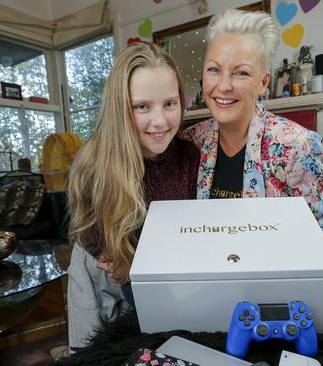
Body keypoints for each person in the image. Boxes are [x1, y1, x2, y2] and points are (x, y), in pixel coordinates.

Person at [66, 42, 199, 349]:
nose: (160, 122)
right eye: (142, 106)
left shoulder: (190, 157)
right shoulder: (93, 167)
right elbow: (100, 249)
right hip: (107, 280)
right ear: (120, 108)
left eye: (170, 103)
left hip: (169, 285)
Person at [182, 9, 323, 242]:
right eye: (214, 70)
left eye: (241, 73)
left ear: (264, 82)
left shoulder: (298, 146)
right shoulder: (190, 141)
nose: (224, 86)